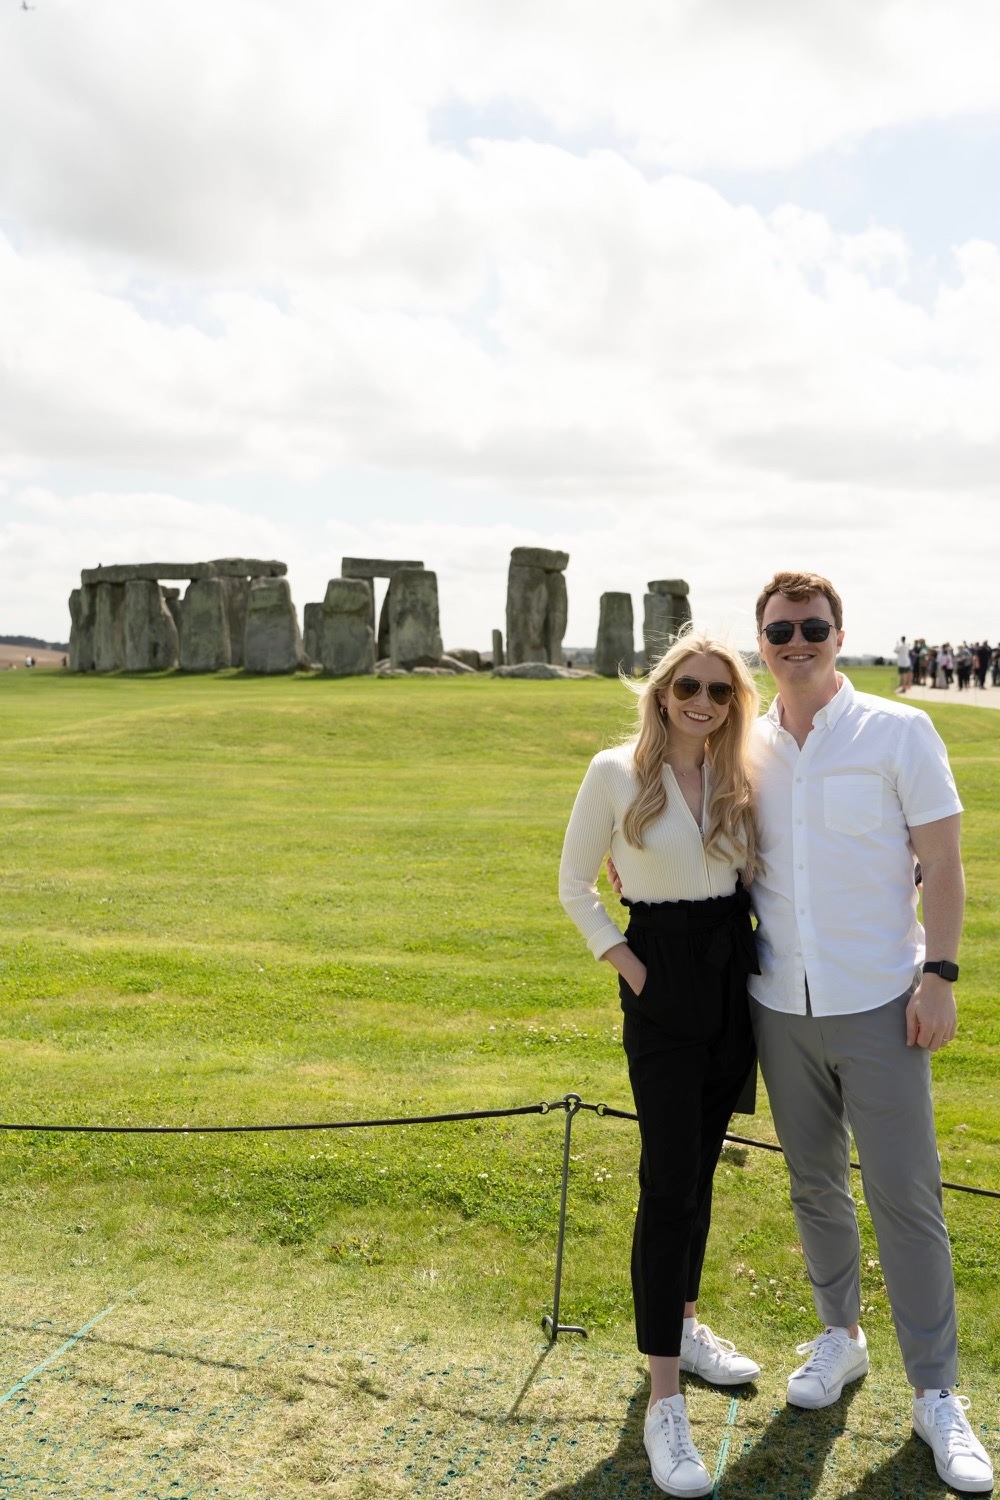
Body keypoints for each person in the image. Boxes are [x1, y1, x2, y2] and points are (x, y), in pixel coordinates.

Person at [749, 570, 992, 1494]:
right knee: (814, 1186)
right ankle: (839, 1338)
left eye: (813, 627)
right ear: (761, 641)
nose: (797, 642)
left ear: (839, 634)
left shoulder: (900, 731)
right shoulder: (748, 742)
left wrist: (939, 976)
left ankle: (936, 1392)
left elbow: (944, 863)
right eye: (781, 630)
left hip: (884, 1003)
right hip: (779, 1004)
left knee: (907, 1198)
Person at [560, 631, 761, 1499]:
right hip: (664, 977)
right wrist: (633, 969)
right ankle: (663, 1397)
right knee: (666, 1180)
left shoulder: (739, 773)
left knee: (703, 1170)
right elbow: (574, 887)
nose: (703, 702)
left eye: (719, 691)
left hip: (732, 971)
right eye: (689, 685)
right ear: (662, 688)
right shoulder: (614, 772)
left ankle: (684, 1324)